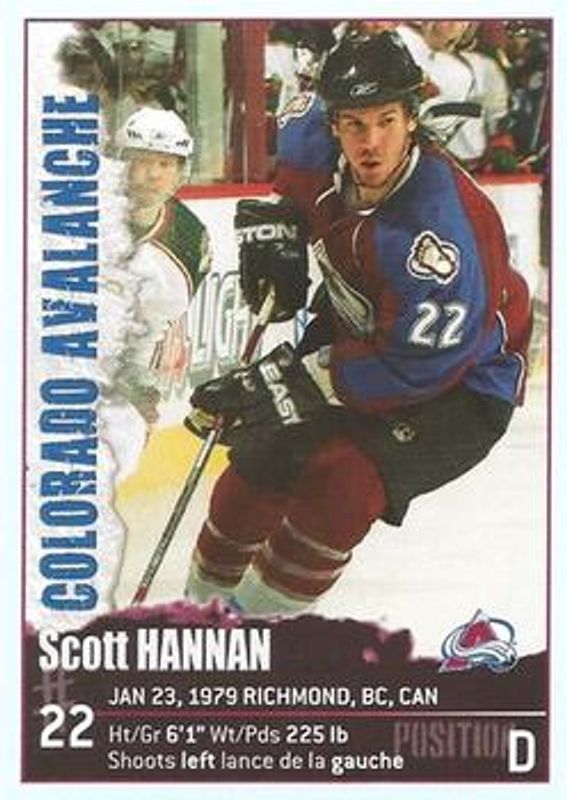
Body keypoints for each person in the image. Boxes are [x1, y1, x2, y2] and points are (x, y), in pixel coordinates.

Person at [183, 31, 531, 616]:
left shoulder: (437, 237)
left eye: (387, 121)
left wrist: (289, 381)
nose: (370, 142)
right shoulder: (309, 140)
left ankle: (261, 627)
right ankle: (195, 616)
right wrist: (284, 227)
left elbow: (418, 366)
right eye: (354, 124)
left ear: (413, 120)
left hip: (463, 382)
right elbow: (296, 188)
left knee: (343, 482)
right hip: (365, 326)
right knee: (264, 454)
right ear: (333, 124)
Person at [104, 106, 211, 479]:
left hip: (119, 372)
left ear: (180, 172)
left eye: (165, 164)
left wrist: (137, 386)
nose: (152, 174)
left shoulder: (188, 241)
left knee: (119, 451)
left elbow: (154, 328)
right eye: (142, 161)